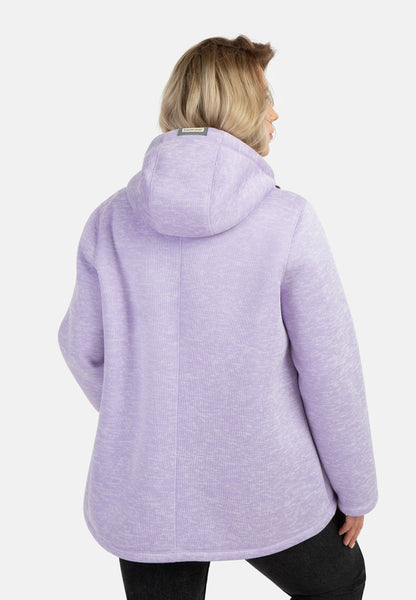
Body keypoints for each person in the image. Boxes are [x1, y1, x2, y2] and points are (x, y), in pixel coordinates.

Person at [57, 35, 378, 599]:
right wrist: (356, 490)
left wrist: (150, 418)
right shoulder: (288, 220)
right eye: (266, 98)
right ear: (239, 106)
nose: (275, 113)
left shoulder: (110, 221)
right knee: (341, 584)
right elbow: (331, 371)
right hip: (270, 487)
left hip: (148, 492)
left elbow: (81, 347)